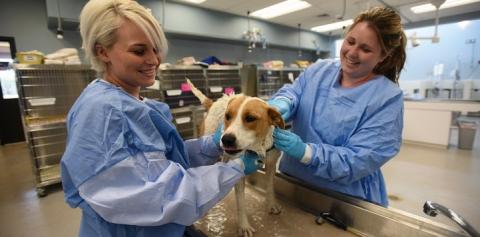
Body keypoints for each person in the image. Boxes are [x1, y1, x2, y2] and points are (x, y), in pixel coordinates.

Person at [60, 0, 261, 236]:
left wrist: (207, 147)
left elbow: (158, 163)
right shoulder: (103, 113)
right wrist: (234, 169)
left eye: (156, 49)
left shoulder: (133, 103)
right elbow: (159, 197)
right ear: (102, 51)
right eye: (139, 51)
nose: (154, 60)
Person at [269, 6, 406, 207]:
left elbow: (358, 160)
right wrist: (284, 103)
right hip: (292, 182)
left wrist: (306, 152)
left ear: (383, 56)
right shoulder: (319, 70)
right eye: (350, 41)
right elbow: (294, 92)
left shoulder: (387, 98)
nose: (352, 52)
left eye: (366, 49)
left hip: (343, 199)